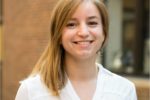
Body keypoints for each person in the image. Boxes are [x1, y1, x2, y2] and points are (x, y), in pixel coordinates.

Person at [15, 0, 137, 100]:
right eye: (71, 24)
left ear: (104, 32)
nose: (83, 32)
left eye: (92, 23)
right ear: (58, 35)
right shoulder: (31, 91)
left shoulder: (124, 90)